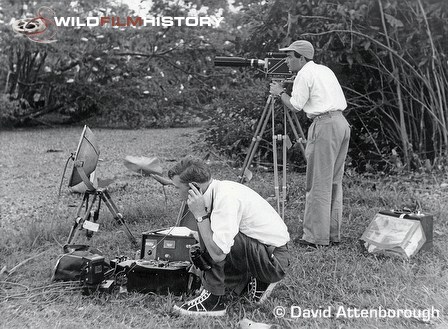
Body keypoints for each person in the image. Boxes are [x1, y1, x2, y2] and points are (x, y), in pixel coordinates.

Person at [168, 157, 290, 316]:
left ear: (194, 187)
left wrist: (200, 216)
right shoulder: (219, 190)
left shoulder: (225, 199)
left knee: (211, 236)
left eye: (178, 188)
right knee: (207, 235)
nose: (177, 194)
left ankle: (214, 302)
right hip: (266, 252)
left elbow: (218, 254)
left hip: (274, 261)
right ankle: (254, 282)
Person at [270, 40, 351, 248]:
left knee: (317, 183)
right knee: (333, 182)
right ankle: (331, 234)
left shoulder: (304, 74)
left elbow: (296, 105)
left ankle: (315, 238)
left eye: (289, 56)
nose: (286, 61)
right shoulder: (323, 70)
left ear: (302, 58)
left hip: (324, 125)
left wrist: (280, 92)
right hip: (341, 123)